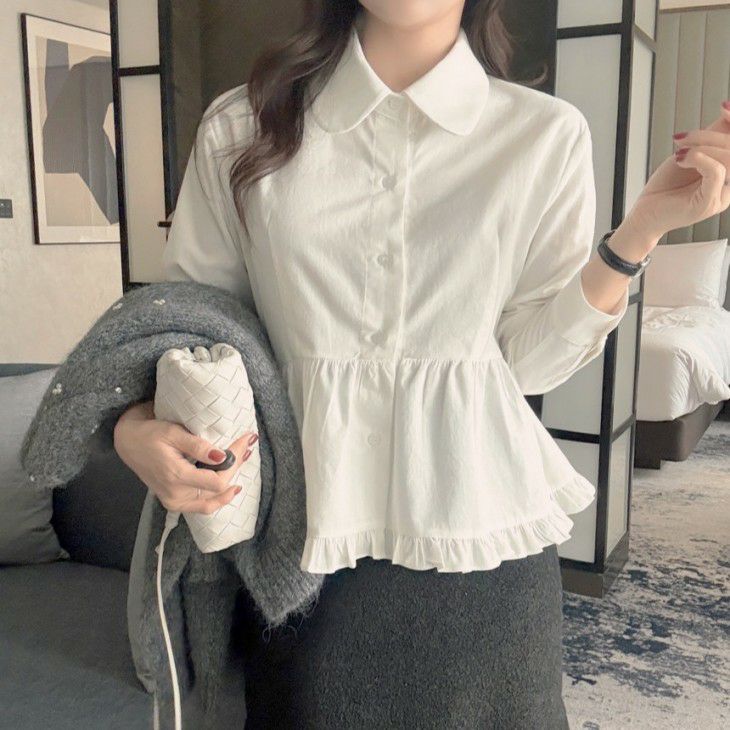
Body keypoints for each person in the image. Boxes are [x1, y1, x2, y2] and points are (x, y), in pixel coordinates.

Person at [113, 1, 730, 727]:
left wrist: (640, 232)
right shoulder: (242, 124)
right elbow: (195, 330)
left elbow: (528, 365)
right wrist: (133, 425)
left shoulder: (543, 133)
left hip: (480, 538)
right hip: (304, 541)